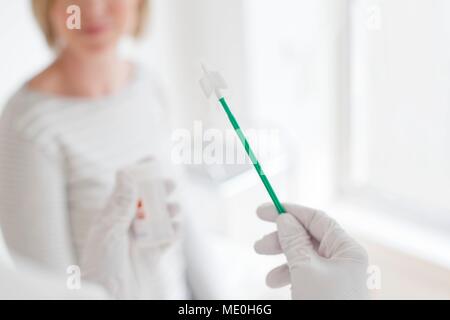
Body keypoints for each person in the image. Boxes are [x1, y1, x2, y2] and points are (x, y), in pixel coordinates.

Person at [0, 0, 189, 299]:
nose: (93, 9)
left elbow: (186, 229)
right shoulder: (28, 125)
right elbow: (53, 291)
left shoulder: (148, 84)